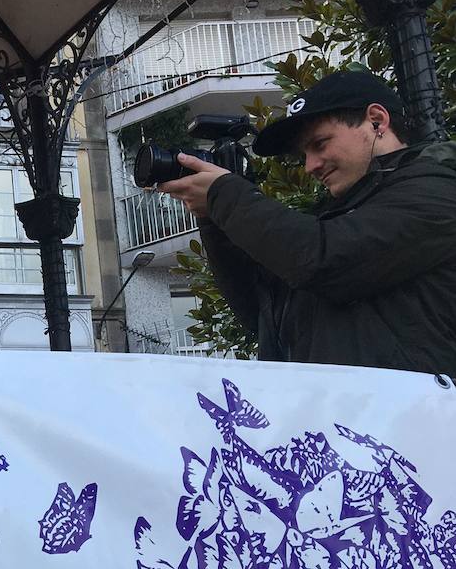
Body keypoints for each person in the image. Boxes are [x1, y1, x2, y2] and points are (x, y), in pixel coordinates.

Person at [158, 70, 456, 374]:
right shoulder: (334, 217)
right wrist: (212, 218)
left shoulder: (438, 192)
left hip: (411, 417)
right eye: (304, 153)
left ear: (376, 120)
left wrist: (226, 195)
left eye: (320, 143)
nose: (310, 165)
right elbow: (260, 311)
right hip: (333, 416)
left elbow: (325, 261)